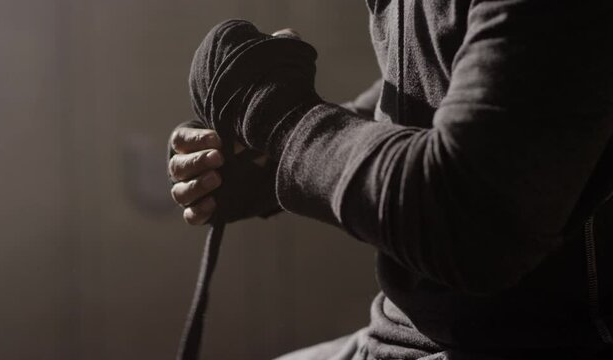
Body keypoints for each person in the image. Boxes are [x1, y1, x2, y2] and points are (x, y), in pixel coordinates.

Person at [167, 1, 613, 359]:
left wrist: (282, 122)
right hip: (404, 334)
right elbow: (441, 96)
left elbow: (472, 220)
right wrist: (272, 163)